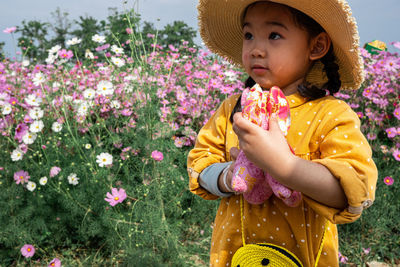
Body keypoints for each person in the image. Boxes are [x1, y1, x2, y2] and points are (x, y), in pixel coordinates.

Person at [187, 0, 378, 266]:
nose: (255, 49)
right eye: (248, 35)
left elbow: (353, 191)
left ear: (316, 46)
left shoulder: (330, 115)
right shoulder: (233, 108)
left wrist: (283, 166)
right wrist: (229, 176)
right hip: (234, 256)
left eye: (274, 35)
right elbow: (199, 167)